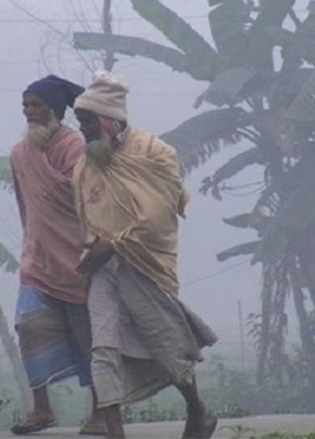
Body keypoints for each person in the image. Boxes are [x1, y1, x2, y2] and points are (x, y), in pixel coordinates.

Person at [71, 71, 219, 439]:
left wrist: (113, 245)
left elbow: (157, 213)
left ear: (108, 118)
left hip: (145, 264)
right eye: (79, 122)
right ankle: (115, 433)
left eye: (87, 121)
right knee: (103, 347)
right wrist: (95, 251)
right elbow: (87, 211)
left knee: (166, 344)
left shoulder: (154, 151)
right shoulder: (86, 163)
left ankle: (198, 411)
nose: (82, 129)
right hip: (103, 270)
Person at [8, 75, 105, 436]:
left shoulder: (74, 146)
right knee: (29, 327)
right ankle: (42, 410)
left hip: (77, 261)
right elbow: (27, 206)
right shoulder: (19, 153)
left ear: (54, 110)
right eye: (26, 105)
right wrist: (33, 242)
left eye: (36, 105)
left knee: (89, 338)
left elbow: (89, 201)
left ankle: (101, 412)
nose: (29, 112)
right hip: (37, 261)